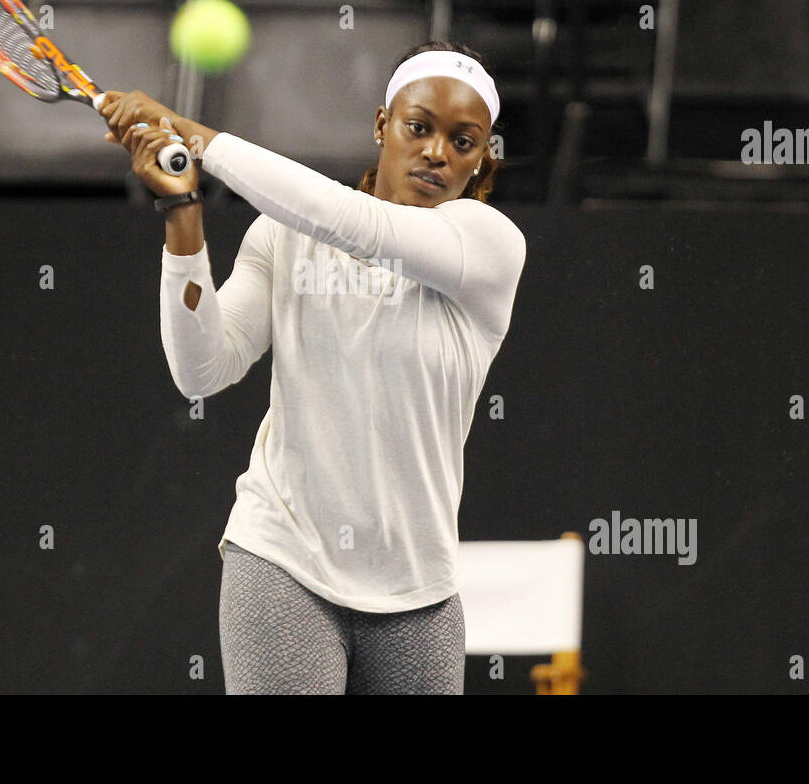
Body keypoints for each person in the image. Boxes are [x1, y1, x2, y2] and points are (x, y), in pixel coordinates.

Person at [100, 41, 527, 694]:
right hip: (283, 560)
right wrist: (181, 213)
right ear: (383, 125)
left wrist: (199, 137)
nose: (438, 152)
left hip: (420, 588)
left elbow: (354, 223)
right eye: (419, 128)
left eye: (464, 141)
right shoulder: (282, 235)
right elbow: (202, 369)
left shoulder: (489, 247)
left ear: (483, 157)